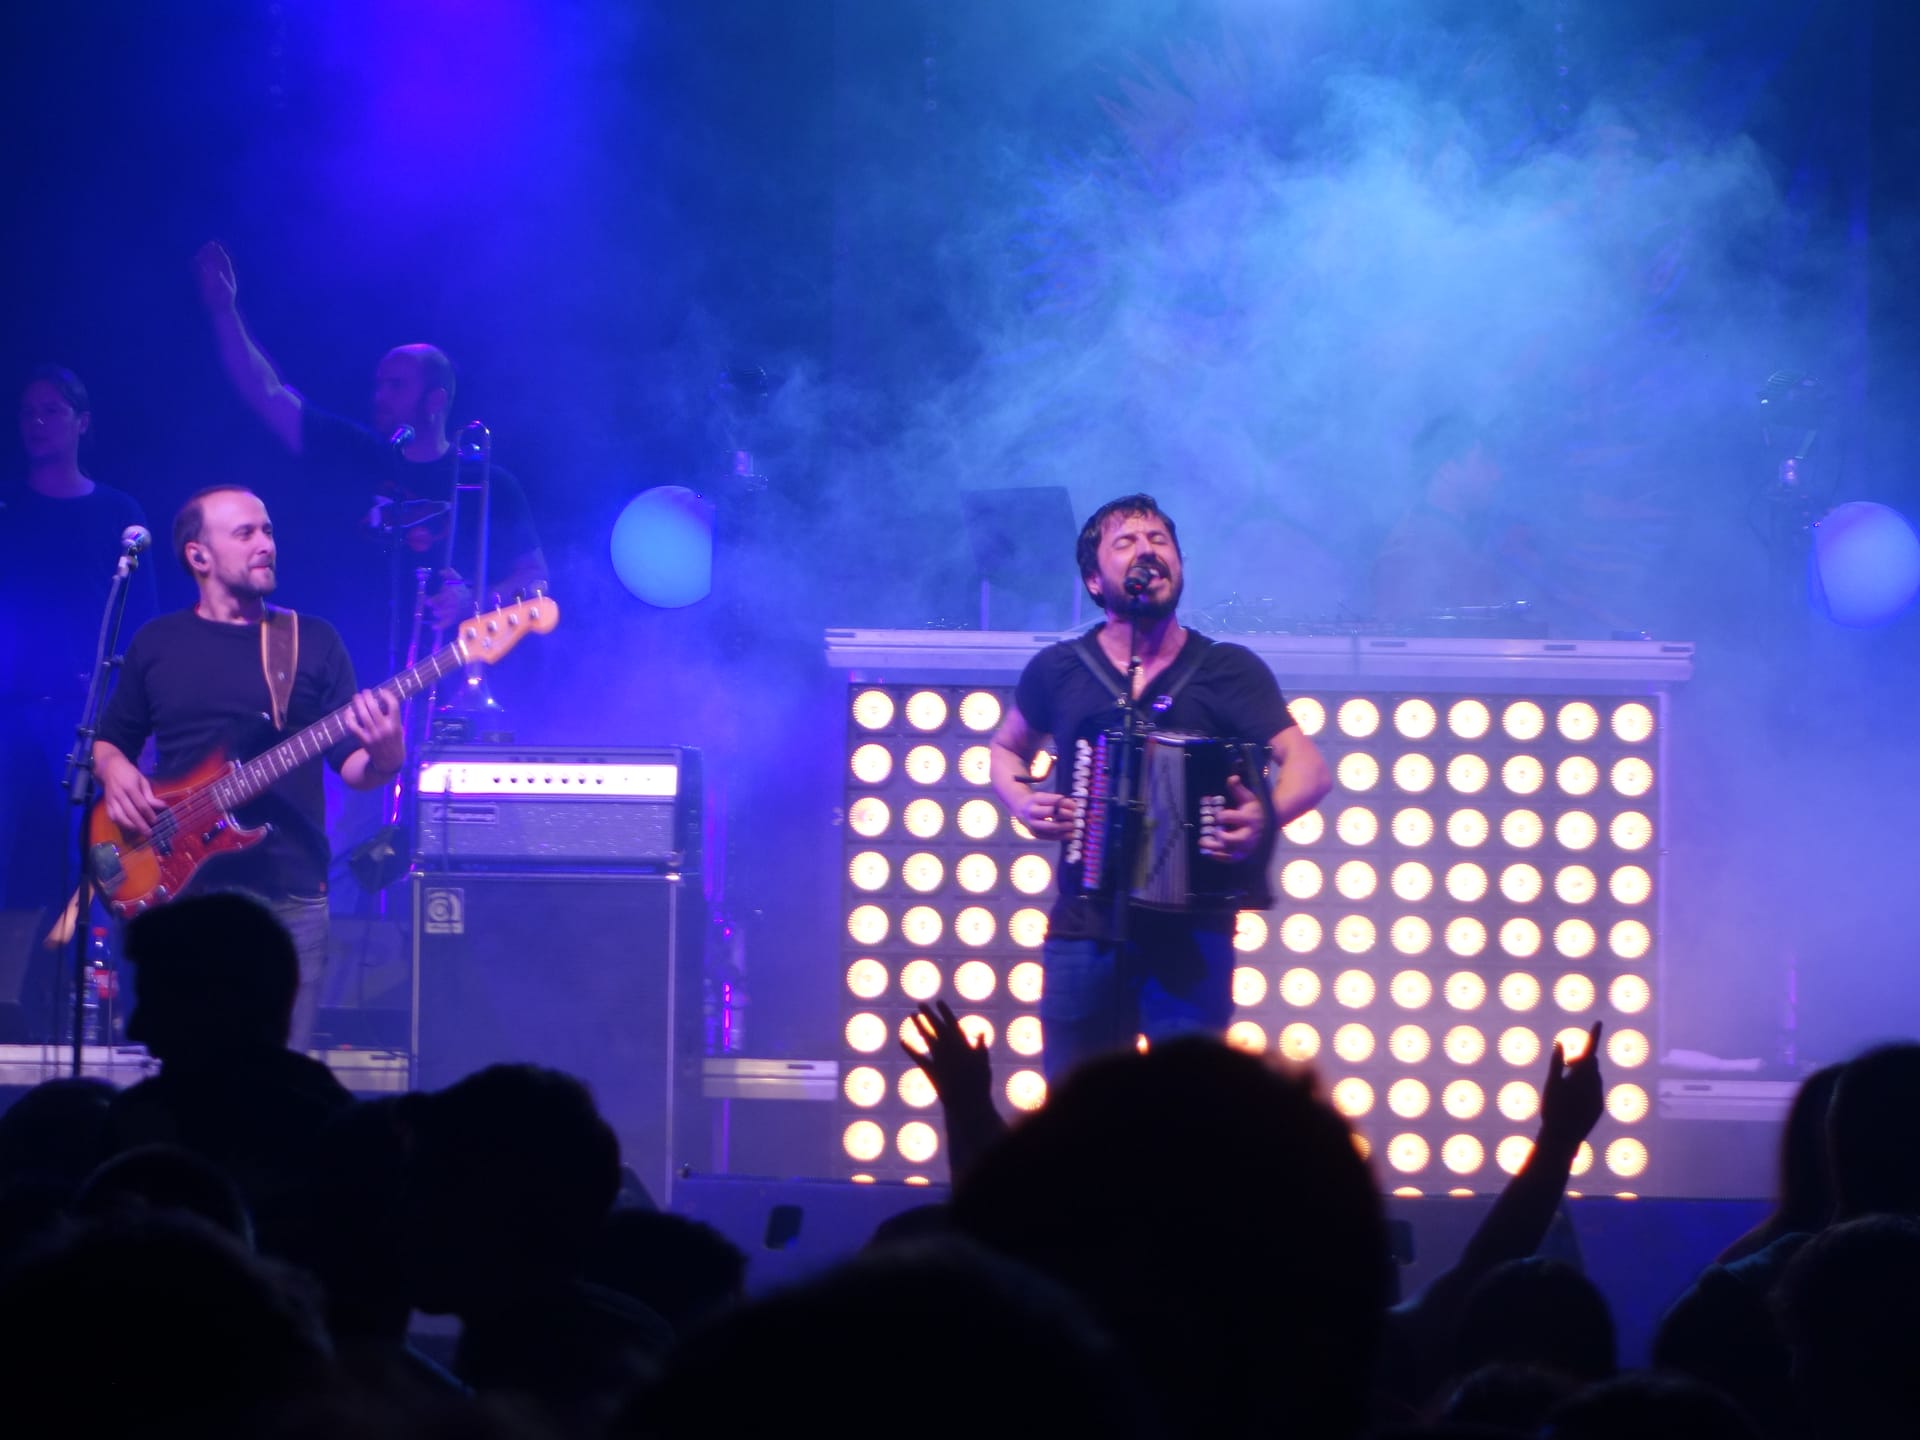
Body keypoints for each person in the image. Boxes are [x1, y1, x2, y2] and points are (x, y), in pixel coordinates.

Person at [988, 493, 1331, 1078]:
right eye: (1126, 542)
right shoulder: (1060, 669)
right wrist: (1022, 801)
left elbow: (1310, 768)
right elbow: (1005, 748)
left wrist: (1263, 816)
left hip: (1193, 934)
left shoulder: (1227, 669)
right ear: (1095, 581)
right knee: (1080, 1113)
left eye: (1159, 541)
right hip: (1084, 927)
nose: (1147, 551)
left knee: (1186, 1112)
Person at [90, 486, 406, 1048]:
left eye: (268, 531)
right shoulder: (157, 643)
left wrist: (387, 755)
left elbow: (353, 767)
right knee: (189, 1070)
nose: (266, 544)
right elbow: (109, 740)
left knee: (278, 1076)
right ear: (198, 555)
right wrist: (114, 770)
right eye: (246, 534)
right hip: (183, 892)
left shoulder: (311, 641)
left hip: (290, 892)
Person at [193, 241, 546, 661]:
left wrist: (474, 599)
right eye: (379, 385)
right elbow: (267, 392)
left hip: (443, 676)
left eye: (396, 386)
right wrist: (224, 311)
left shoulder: (487, 481)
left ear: (435, 400)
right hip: (347, 668)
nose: (380, 396)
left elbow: (535, 579)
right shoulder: (356, 452)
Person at [0, 366, 156, 917]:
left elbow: (142, 622)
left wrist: (133, 719)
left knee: (95, 855)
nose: (37, 422)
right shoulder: (6, 506)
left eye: (51, 411)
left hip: (84, 714)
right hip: (8, 709)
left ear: (82, 422)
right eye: (28, 412)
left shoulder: (118, 513)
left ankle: (95, 966)